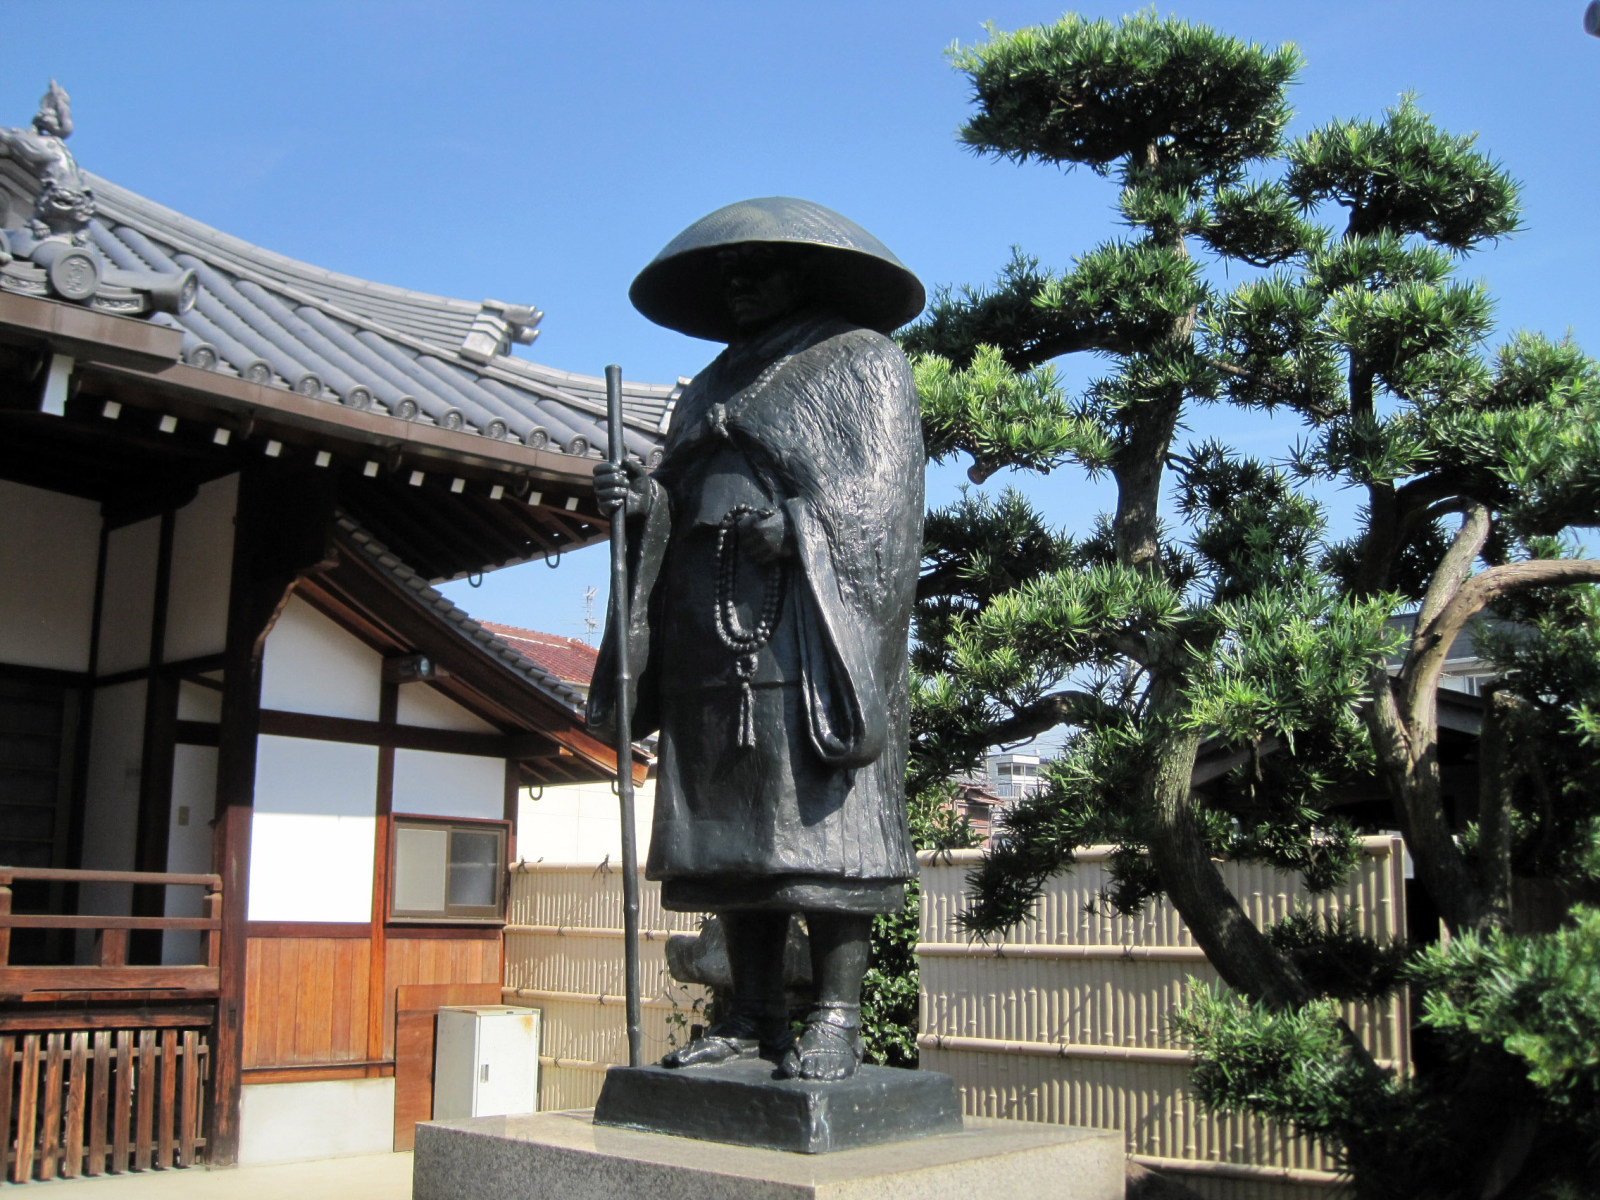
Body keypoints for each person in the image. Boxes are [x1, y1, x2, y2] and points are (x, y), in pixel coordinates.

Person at [589, 197, 925, 1081]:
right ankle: (752, 1011)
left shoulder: (862, 361)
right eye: (727, 274)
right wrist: (640, 502)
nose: (738, 285)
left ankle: (838, 1015)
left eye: (757, 268)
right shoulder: (708, 386)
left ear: (805, 273)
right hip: (706, 617)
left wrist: (808, 528)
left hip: (814, 627)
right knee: (734, 823)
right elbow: (675, 492)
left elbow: (886, 495)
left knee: (825, 822)